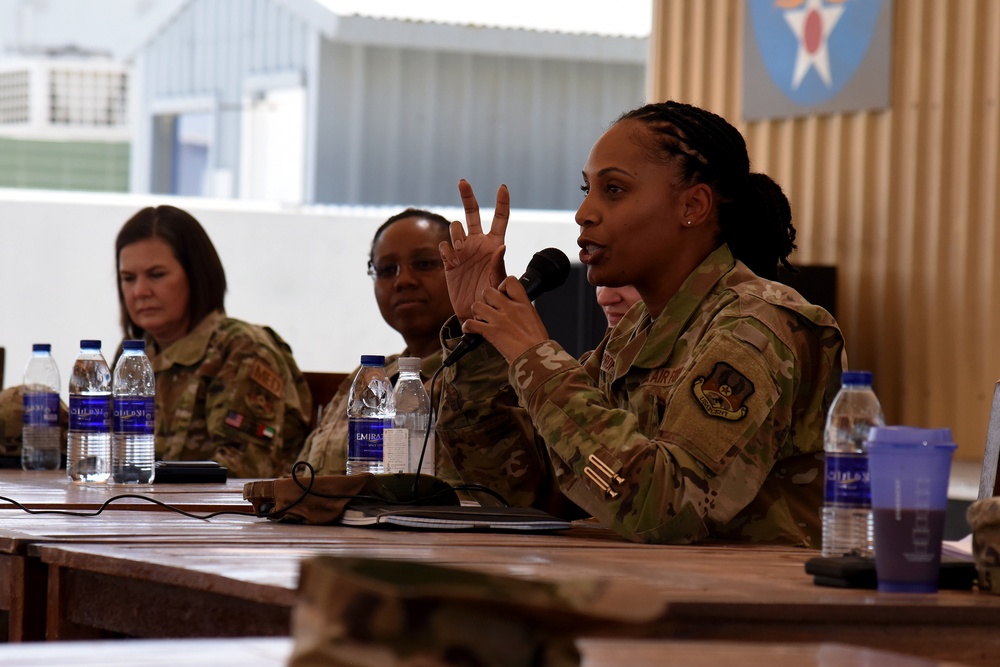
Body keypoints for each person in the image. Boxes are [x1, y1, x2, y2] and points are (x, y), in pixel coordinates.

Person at [435, 100, 847, 546]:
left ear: (693, 204)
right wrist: (482, 340)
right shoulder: (634, 332)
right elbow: (530, 492)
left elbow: (665, 507)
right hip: (647, 595)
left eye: (613, 190)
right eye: (585, 189)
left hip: (752, 606)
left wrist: (537, 361)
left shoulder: (758, 326)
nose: (584, 213)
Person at [116, 205, 311, 478]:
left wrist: (145, 475)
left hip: (226, 517)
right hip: (144, 512)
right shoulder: (134, 355)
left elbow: (243, 468)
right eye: (128, 278)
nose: (140, 292)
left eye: (156, 275)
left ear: (196, 276)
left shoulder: (241, 348)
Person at [298, 208, 458, 477]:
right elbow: (301, 478)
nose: (403, 280)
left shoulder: (484, 379)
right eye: (386, 270)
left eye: (424, 264)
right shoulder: (369, 378)